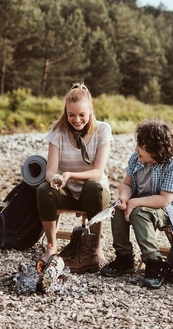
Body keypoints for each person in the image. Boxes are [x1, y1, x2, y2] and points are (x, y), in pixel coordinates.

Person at [100, 118, 173, 289]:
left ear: (155, 150)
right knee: (118, 208)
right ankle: (124, 258)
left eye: (141, 145)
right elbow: (126, 184)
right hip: (141, 203)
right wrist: (124, 198)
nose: (136, 148)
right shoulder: (136, 158)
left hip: (169, 209)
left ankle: (154, 264)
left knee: (140, 212)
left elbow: (165, 199)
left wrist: (134, 203)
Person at [37, 82, 112, 273]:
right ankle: (51, 246)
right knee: (44, 190)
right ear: (66, 112)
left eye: (82, 115)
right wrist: (57, 179)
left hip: (94, 193)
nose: (76, 120)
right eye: (71, 115)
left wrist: (70, 174)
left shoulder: (103, 130)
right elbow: (50, 172)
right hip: (68, 191)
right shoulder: (57, 130)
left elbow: (98, 171)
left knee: (92, 185)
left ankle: (94, 247)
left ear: (90, 111)